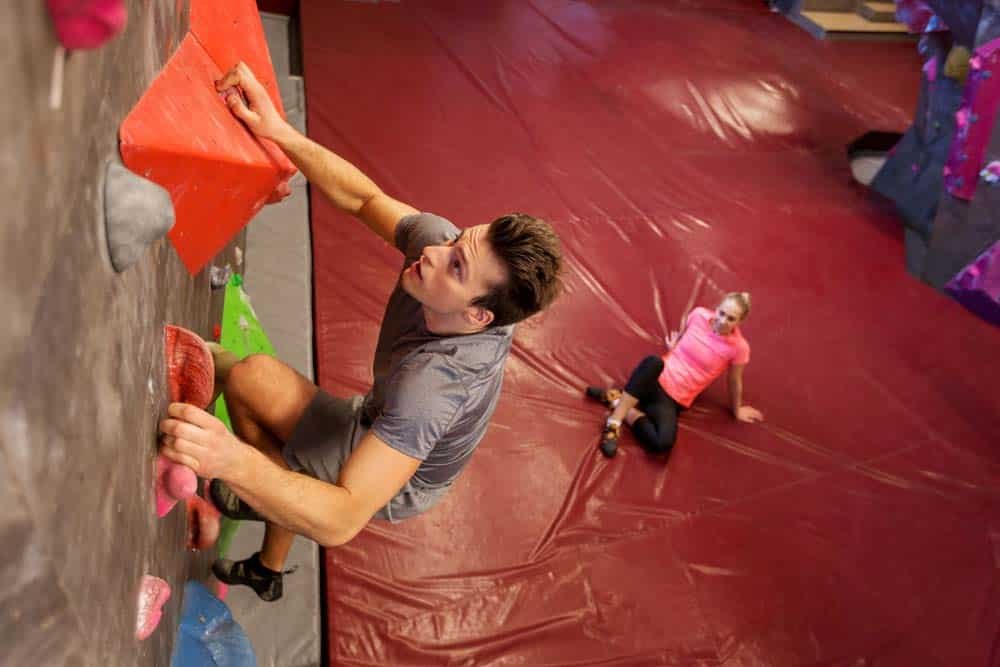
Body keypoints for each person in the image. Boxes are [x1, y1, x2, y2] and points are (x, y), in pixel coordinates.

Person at [157, 62, 563, 601]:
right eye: (457, 242)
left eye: (457, 269)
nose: (434, 254)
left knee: (260, 442)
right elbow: (364, 200)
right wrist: (279, 133)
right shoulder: (442, 253)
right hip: (379, 411)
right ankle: (267, 569)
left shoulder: (431, 391)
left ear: (476, 317)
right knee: (251, 380)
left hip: (397, 474)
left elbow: (344, 516)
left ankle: (249, 504)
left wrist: (231, 460)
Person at [586, 292, 763, 458]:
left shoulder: (739, 348)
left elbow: (734, 381)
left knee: (662, 444)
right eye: (722, 313)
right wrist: (674, 346)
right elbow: (685, 335)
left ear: (740, 321)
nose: (723, 321)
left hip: (673, 399)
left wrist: (737, 409)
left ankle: (617, 401)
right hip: (656, 377)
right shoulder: (699, 315)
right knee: (653, 362)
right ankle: (613, 424)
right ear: (716, 309)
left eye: (731, 318)